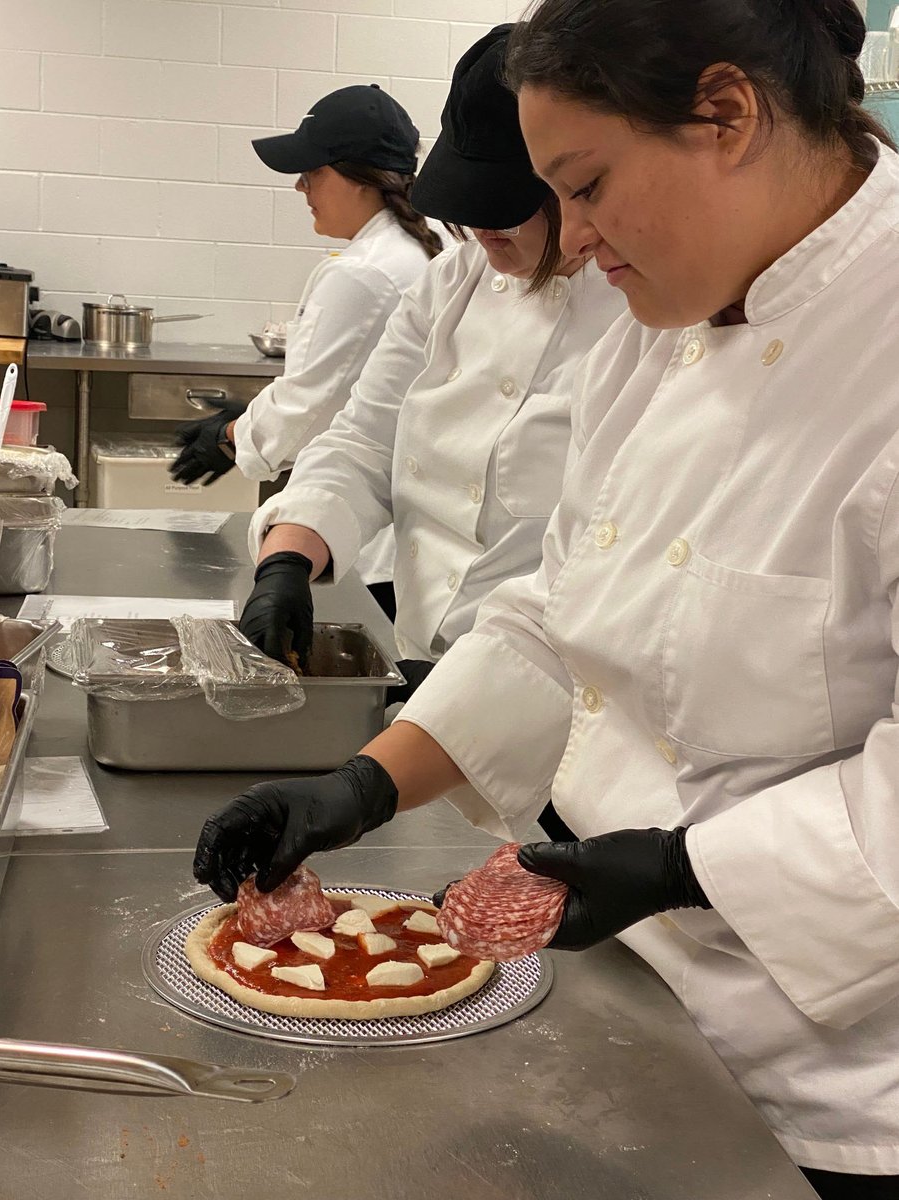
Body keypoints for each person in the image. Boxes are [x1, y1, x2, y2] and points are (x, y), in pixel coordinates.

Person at [196, 2, 899, 1194]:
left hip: (835, 1083)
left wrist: (690, 869)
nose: (571, 241)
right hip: (640, 989)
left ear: (727, 114)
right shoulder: (657, 320)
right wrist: (367, 783)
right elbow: (556, 608)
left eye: (586, 185)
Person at [234, 24, 626, 721]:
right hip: (419, 658)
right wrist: (291, 553)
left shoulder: (639, 309)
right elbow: (364, 440)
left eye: (504, 211)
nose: (481, 232)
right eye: (469, 211)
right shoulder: (451, 286)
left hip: (557, 700)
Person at [170, 84, 441, 616]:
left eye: (313, 172)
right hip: (410, 536)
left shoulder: (362, 274)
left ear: (361, 178)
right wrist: (245, 426)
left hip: (368, 547)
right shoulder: (425, 247)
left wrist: (230, 436)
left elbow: (308, 407)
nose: (300, 187)